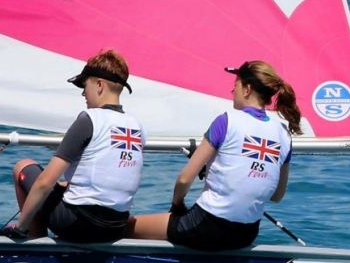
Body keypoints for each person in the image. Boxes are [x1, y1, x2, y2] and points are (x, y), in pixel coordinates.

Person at [127, 60, 301, 251]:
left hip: (207, 226)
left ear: (247, 89)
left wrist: (177, 205)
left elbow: (184, 179)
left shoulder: (226, 121)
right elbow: (277, 195)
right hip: (246, 235)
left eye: (235, 85)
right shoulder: (284, 134)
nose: (232, 91)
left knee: (128, 226)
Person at [0, 49, 145, 242]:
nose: (83, 93)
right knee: (62, 186)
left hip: (79, 226)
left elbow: (44, 183)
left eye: (85, 86)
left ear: (99, 85)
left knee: (23, 166)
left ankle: (30, 236)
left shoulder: (89, 119)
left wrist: (19, 227)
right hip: (116, 227)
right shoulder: (137, 126)